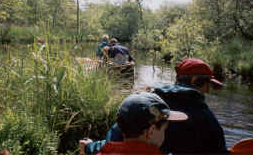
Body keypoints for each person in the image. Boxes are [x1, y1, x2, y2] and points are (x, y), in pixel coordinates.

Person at [82, 58, 228, 154]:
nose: (208, 90)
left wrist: (90, 147)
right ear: (196, 81)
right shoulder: (206, 117)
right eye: (207, 84)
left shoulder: (148, 102)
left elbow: (118, 139)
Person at [80, 92, 187, 155]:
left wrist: (88, 147)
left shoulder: (104, 150)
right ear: (151, 131)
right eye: (164, 128)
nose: (165, 132)